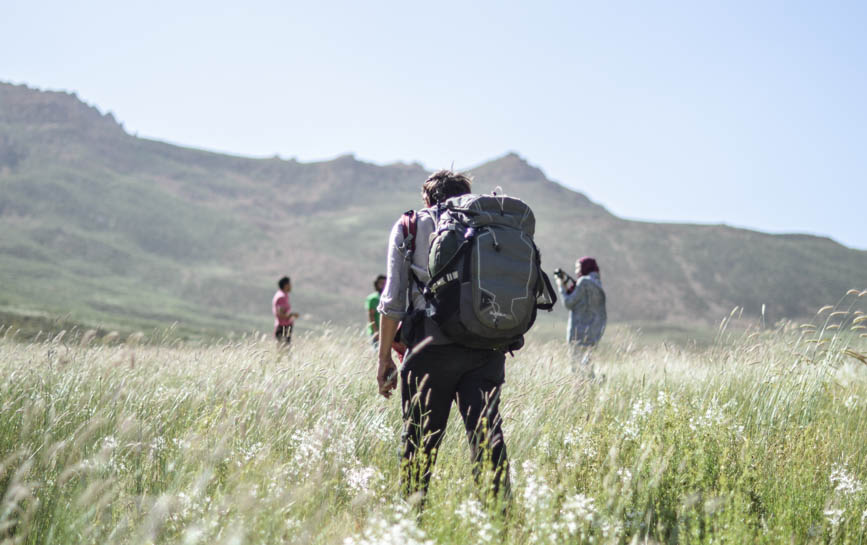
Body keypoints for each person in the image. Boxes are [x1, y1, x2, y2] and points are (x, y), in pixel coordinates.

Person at [376, 170, 510, 505]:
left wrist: (383, 362)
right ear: (466, 195)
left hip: (428, 350)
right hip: (485, 347)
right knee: (487, 439)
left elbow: (392, 301)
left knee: (420, 442)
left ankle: (412, 523)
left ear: (427, 198)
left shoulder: (410, 226)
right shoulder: (488, 226)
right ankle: (499, 525)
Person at [556, 256, 607, 376]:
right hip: (594, 333)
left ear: (585, 267)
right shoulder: (597, 283)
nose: (576, 271)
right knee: (588, 368)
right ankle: (593, 389)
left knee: (576, 370)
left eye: (578, 267)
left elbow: (569, 303)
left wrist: (561, 286)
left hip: (578, 334)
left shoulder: (583, 282)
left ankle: (580, 393)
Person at [273, 276, 299, 345]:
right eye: (290, 284)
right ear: (286, 285)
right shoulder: (281, 297)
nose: (291, 286)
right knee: (284, 351)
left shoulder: (284, 295)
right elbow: (280, 314)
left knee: (284, 350)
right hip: (282, 327)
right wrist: (292, 315)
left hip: (284, 327)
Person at [365, 275, 386, 345]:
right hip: (376, 331)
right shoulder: (373, 298)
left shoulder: (387, 298)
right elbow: (371, 316)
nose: (383, 285)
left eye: (385, 283)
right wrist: (376, 331)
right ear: (377, 284)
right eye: (381, 283)